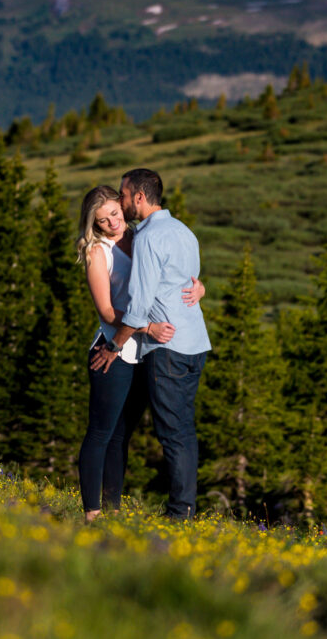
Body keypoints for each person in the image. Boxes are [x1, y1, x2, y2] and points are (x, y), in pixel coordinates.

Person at [75, 185, 203, 522]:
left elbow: (169, 280)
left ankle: (113, 510)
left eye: (114, 213)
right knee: (100, 432)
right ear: (93, 224)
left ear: (123, 207)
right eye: (102, 220)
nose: (112, 223)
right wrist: (147, 328)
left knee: (121, 434)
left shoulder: (144, 238)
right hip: (112, 350)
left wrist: (199, 287)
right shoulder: (97, 252)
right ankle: (92, 513)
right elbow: (106, 311)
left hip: (144, 353)